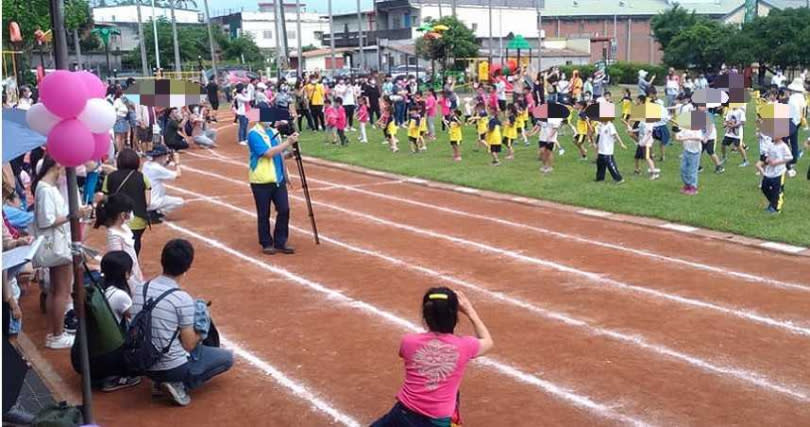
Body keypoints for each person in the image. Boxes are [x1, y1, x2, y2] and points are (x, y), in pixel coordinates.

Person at [371, 288, 493, 427]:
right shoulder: (465, 345)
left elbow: (403, 354)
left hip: (403, 414)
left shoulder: (408, 341)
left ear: (426, 316)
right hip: (437, 421)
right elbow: (488, 341)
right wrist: (470, 311)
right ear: (454, 316)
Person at [134, 239, 234, 406]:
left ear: (162, 260)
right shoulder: (182, 298)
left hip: (142, 361)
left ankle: (159, 381)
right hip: (171, 366)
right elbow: (189, 344)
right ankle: (179, 384)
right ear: (187, 267)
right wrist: (202, 328)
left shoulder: (141, 288)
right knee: (228, 358)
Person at [33, 156, 91, 349]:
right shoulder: (45, 190)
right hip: (57, 245)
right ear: (57, 166)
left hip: (57, 244)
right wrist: (73, 215)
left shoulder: (46, 188)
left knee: (57, 290)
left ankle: (54, 332)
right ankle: (57, 335)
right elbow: (46, 220)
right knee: (62, 291)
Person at [247, 114, 298, 255]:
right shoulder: (254, 134)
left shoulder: (274, 132)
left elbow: (278, 154)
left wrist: (288, 155)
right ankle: (266, 242)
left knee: (284, 209)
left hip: (277, 178)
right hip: (261, 179)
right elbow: (267, 153)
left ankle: (280, 241)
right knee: (264, 213)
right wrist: (287, 143)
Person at [103, 149, 151, 256]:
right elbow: (147, 202)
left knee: (117, 246)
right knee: (135, 244)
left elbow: (106, 200)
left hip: (116, 219)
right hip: (137, 219)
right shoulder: (142, 177)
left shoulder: (109, 177)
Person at [94, 194, 144, 291]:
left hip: (134, 273)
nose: (131, 214)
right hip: (127, 280)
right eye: (129, 211)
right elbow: (118, 264)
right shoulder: (114, 235)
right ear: (122, 215)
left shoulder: (124, 227)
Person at [142, 146, 184, 220]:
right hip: (153, 201)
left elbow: (160, 167)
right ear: (161, 156)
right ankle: (155, 213)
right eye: (165, 155)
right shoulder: (157, 168)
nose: (166, 157)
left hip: (144, 200)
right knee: (180, 201)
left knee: (161, 190)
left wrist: (169, 161)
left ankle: (151, 211)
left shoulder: (146, 164)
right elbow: (178, 174)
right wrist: (177, 162)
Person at [760, 136, 793, 213]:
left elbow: (789, 157)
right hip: (769, 172)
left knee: (776, 190)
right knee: (764, 187)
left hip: (779, 172)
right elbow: (767, 155)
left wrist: (777, 162)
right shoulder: (771, 145)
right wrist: (767, 159)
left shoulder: (783, 146)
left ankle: (776, 208)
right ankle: (773, 203)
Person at [594, 114, 627, 183]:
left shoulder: (610, 126)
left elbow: (615, 135)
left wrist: (621, 143)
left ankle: (619, 178)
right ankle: (600, 178)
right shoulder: (601, 125)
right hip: (601, 149)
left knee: (610, 164)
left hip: (607, 149)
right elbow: (599, 136)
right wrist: (596, 144)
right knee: (600, 164)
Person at [785, 78, 806, 177]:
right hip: (798, 121)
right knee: (794, 141)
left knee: (783, 140)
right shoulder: (802, 97)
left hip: (792, 121)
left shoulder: (793, 98)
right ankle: (794, 158)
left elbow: (791, 111)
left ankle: (787, 160)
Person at [675, 127, 703, 195]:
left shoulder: (697, 129)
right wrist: (678, 134)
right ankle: (687, 185)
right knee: (683, 169)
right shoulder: (684, 128)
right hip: (686, 151)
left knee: (692, 170)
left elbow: (699, 138)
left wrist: (686, 138)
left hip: (695, 152)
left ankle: (693, 187)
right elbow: (677, 137)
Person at [113, 88, 131, 153]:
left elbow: (128, 109)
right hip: (119, 119)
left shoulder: (125, 101)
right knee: (118, 136)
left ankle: (121, 150)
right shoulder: (117, 100)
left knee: (123, 136)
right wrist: (116, 118)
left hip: (124, 119)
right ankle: (118, 151)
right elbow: (114, 109)